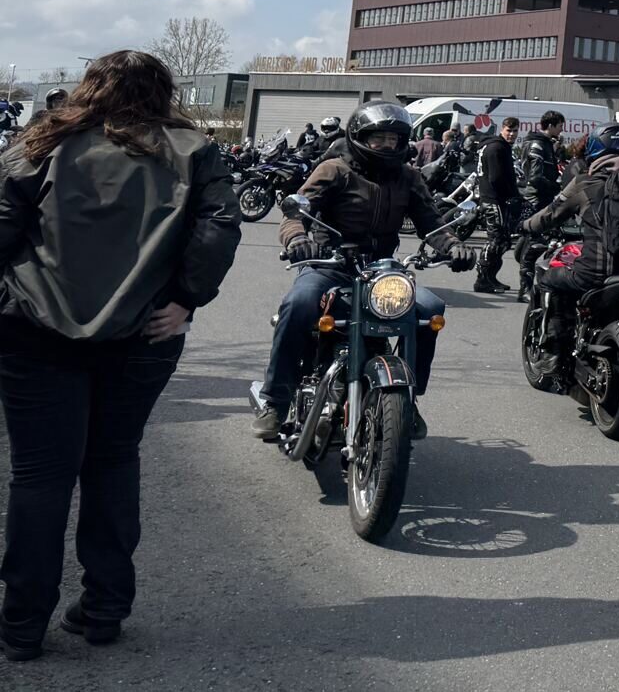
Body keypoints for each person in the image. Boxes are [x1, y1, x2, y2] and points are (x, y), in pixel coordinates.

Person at [0, 52, 241, 660]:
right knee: (112, 461)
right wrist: (186, 299)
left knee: (40, 475)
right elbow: (218, 228)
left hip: (34, 328)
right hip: (145, 333)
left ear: (90, 87)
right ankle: (105, 606)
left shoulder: (41, 143)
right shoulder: (194, 149)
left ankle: (22, 624)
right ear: (163, 91)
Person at [254, 103, 472, 442]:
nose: (386, 145)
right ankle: (275, 401)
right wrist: (298, 239)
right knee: (298, 304)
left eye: (393, 139)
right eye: (378, 138)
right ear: (359, 137)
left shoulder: (408, 177)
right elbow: (296, 212)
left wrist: (453, 245)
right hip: (331, 265)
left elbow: (431, 222)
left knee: (430, 309)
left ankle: (408, 398)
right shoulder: (333, 170)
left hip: (381, 272)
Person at [522, 124, 619, 321]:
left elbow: (551, 214)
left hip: (594, 273)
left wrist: (525, 225)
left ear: (594, 148)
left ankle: (554, 340)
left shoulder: (585, 182)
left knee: (548, 279)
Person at [514, 112, 567, 301]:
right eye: (560, 125)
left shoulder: (544, 143)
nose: (561, 129)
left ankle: (527, 286)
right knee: (534, 243)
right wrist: (556, 186)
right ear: (550, 125)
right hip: (537, 198)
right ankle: (525, 289)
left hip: (539, 197)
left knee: (531, 241)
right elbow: (535, 177)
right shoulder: (538, 144)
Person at [472, 117, 524, 293]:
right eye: (509, 130)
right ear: (502, 129)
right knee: (496, 240)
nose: (512, 134)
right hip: (493, 198)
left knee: (503, 241)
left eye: (515, 131)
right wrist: (511, 195)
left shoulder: (499, 146)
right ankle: (483, 279)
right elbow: (496, 178)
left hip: (494, 198)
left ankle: (491, 277)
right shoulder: (496, 147)